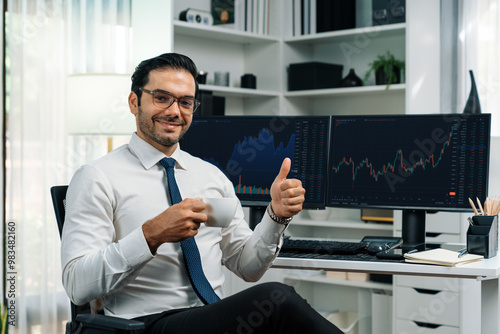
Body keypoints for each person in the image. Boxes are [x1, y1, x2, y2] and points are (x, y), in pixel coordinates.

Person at [61, 52, 343, 334]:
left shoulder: (212, 176)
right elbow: (76, 286)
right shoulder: (97, 177)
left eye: (185, 102)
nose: (174, 111)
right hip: (143, 325)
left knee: (276, 306)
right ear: (134, 102)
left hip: (210, 317)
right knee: (276, 299)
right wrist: (151, 234)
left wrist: (276, 216)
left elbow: (248, 267)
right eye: (161, 98)